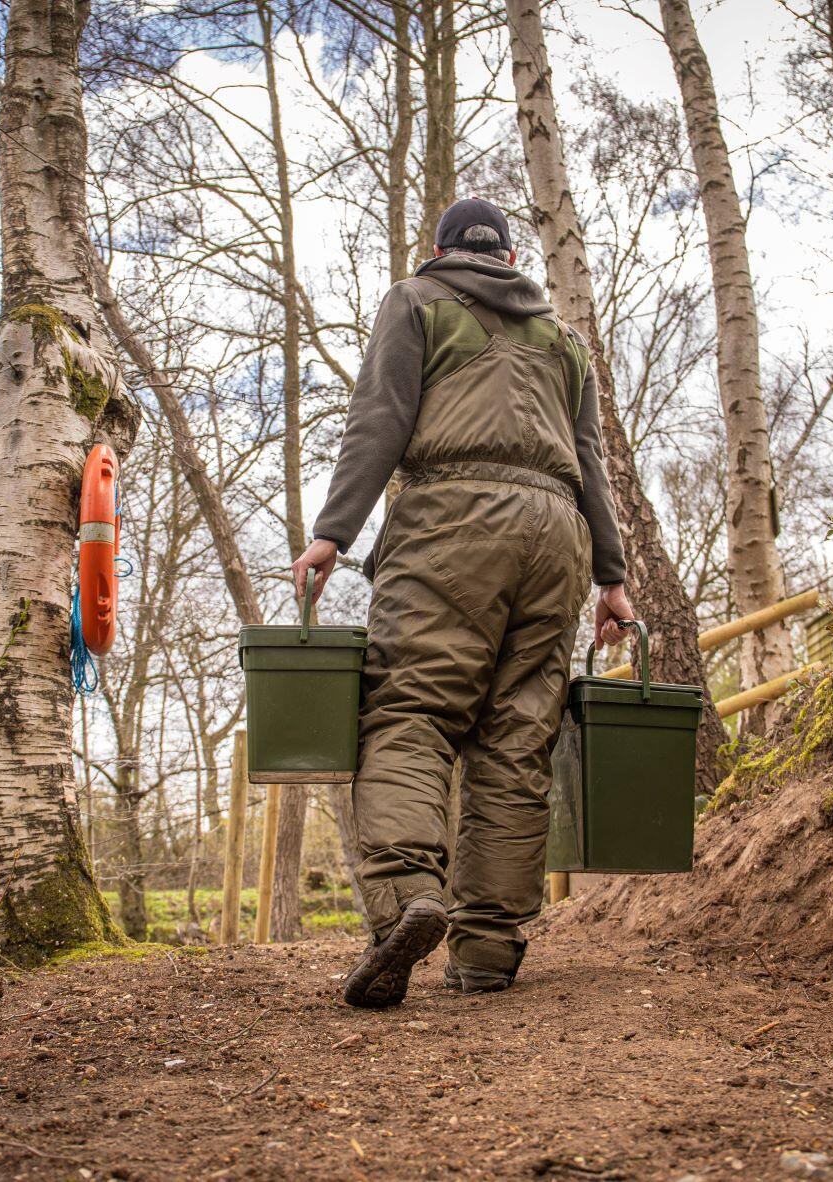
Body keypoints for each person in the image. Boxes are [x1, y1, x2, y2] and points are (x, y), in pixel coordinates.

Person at [292, 197, 634, 1009]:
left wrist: (332, 533)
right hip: (557, 537)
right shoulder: (562, 339)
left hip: (450, 521)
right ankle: (486, 948)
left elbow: (379, 417)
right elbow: (590, 461)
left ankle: (411, 893)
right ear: (510, 260)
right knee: (517, 740)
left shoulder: (415, 301)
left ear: (439, 250)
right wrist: (611, 578)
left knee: (411, 712)